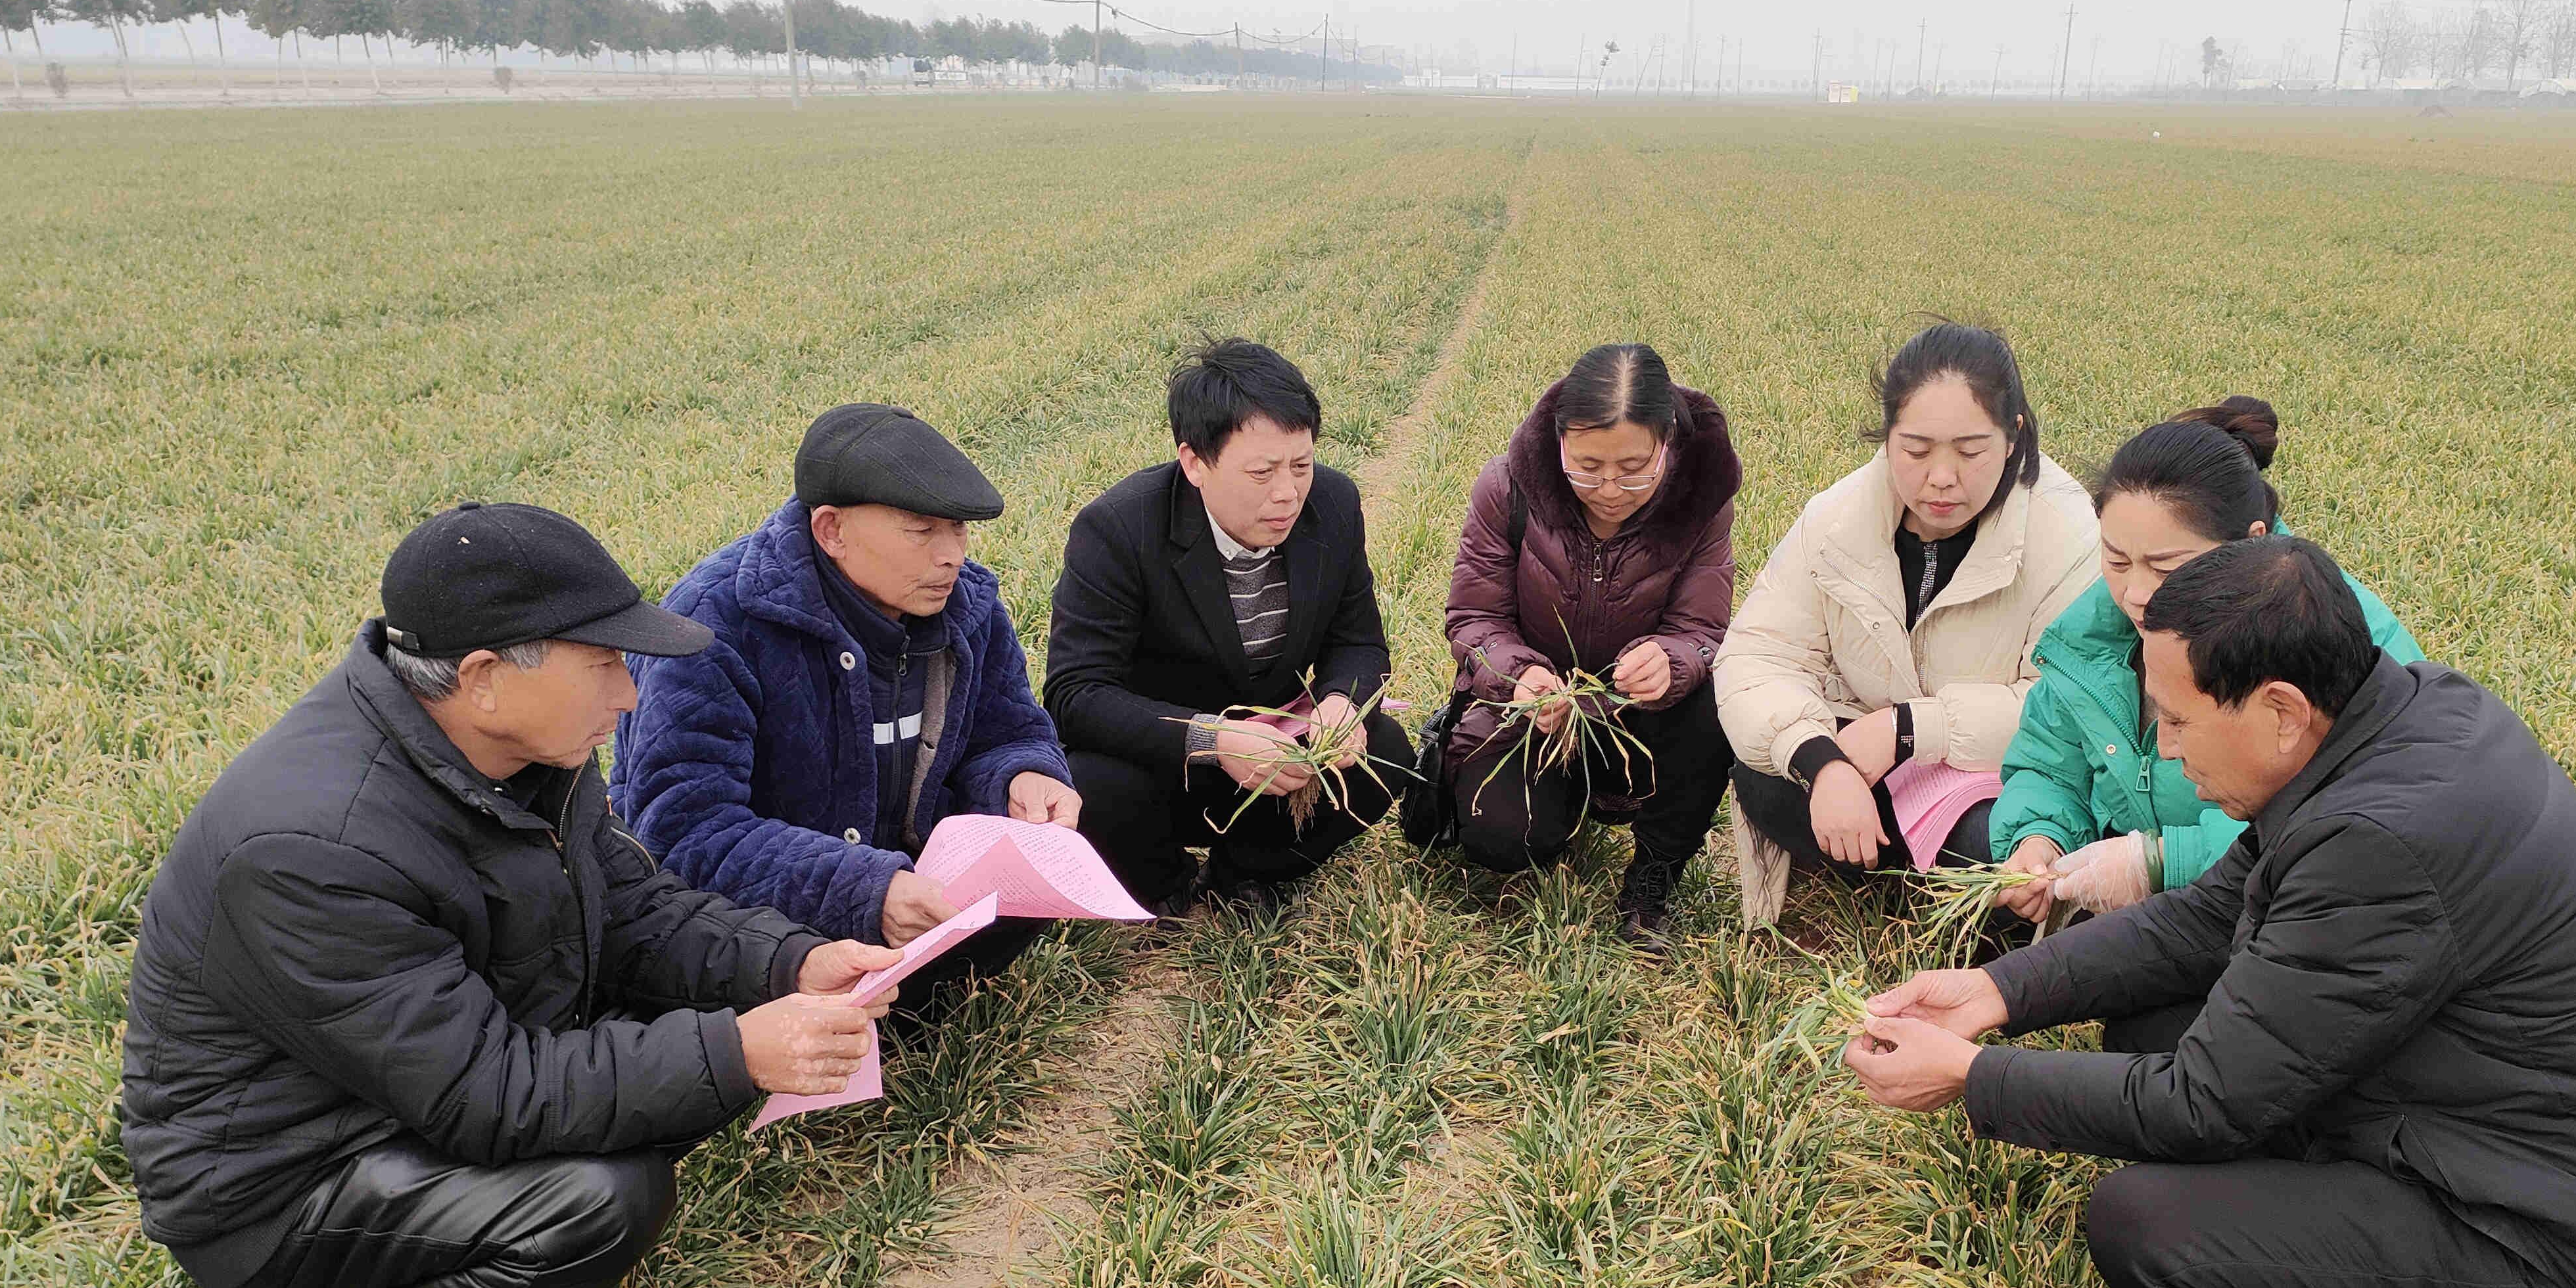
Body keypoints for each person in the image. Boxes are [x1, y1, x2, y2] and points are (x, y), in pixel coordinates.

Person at [1840, 538, 2576, 1288]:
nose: (2165, 745)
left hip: (2559, 1245)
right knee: (2149, 1013)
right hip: (2474, 1124)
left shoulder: (2380, 842)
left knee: (2147, 1229)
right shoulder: (2407, 715)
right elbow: (2214, 915)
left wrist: (1971, 1078)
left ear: (2281, 714)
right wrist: (2000, 995)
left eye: (2176, 720)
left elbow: (2201, 1106)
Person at [119, 505, 906, 1288]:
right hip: (292, 1180)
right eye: (604, 662)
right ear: (485, 675)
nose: (629, 694)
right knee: (603, 1202)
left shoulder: (533, 744)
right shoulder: (313, 853)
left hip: (429, 1070)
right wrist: (735, 1051)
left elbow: (634, 911)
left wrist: (789, 962)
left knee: (715, 1024)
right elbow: (486, 1095)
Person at [613, 403, 1075, 1001]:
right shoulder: (713, 624)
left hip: (914, 895)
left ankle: (896, 995)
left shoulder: (966, 604)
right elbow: (684, 829)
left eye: (959, 529)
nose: (952, 555)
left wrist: (1024, 775)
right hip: (773, 921)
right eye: (922, 530)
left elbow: (1007, 731)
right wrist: (865, 890)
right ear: (832, 530)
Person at [1713, 323, 2099, 927]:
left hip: (1995, 776)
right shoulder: (1839, 518)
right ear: (1887, 437)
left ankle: (1927, 881)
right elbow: (1758, 656)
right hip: (1863, 754)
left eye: (1971, 452)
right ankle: (1897, 865)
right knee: (1762, 770)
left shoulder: (2069, 535)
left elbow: (2066, 706)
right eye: (1916, 451)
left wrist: (1913, 730)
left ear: (2013, 436)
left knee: (1995, 848)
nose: (1941, 477)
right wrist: (1824, 763)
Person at [1990, 398, 2423, 920]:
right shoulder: (2092, 636)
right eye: (2116, 560)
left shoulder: (2339, 637)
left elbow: (2358, 819)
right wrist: (2041, 838)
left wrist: (2165, 862)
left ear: (2251, 544)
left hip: (2273, 906)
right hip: (2127, 899)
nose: (2135, 594)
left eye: (2167, 567)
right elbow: (2048, 762)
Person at [1041, 337, 1405, 915]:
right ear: (1194, 463)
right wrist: (1213, 738)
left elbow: (1357, 640)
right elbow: (1075, 694)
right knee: (1089, 787)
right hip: (1167, 766)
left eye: (1301, 465)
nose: (1287, 493)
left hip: (1282, 756)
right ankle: (1168, 882)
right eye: (1261, 472)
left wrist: (1341, 704)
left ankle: (1244, 873)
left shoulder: (1333, 503)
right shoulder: (1118, 530)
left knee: (1385, 751)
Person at [1437, 342, 1741, 950]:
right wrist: (1522, 677)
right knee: (1503, 838)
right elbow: (1473, 618)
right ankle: (1564, 799)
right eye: (1587, 465)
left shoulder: (1699, 502)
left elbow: (1703, 632)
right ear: (1559, 441)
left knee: (1719, 707)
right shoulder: (1507, 488)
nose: (1608, 487)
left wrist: (1673, 662)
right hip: (1535, 714)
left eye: (1633, 468)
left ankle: (1653, 878)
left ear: (1668, 443)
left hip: (1640, 715)